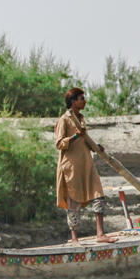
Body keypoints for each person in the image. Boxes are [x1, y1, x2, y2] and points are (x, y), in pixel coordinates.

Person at [54, 88, 117, 245]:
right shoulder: (65, 120)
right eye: (81, 98)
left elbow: (84, 140)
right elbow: (60, 143)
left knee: (98, 196)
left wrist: (95, 147)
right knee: (73, 202)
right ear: (73, 101)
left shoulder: (80, 118)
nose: (84, 101)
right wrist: (75, 136)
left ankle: (100, 234)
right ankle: (74, 238)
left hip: (86, 164)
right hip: (72, 167)